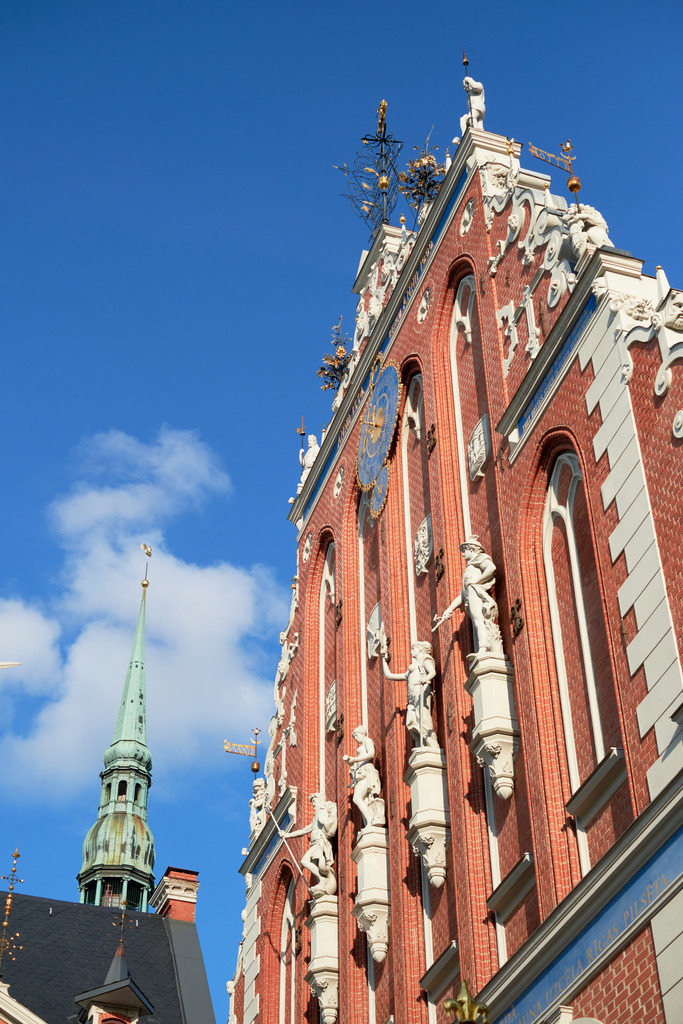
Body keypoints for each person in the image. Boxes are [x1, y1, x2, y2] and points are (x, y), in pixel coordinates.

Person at [432, 536, 502, 659]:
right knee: (476, 621)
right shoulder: (470, 566)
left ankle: (483, 648)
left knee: (478, 620)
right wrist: (449, 609)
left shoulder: (480, 559)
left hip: (475, 593)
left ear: (472, 549)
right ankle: (483, 647)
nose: (463, 555)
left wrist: (476, 581)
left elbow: (491, 568)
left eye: (465, 551)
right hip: (470, 595)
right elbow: (463, 593)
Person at [382, 641, 439, 749]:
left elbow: (432, 672)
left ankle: (432, 745)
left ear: (420, 649)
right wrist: (384, 659)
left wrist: (425, 679)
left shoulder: (425, 659)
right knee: (411, 721)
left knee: (423, 719)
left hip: (421, 691)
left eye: (413, 649)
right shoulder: (412, 668)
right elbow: (389, 676)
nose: (410, 651)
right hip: (412, 696)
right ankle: (420, 745)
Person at [287, 792, 338, 896]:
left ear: (320, 799)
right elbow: (303, 831)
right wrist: (287, 835)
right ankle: (322, 879)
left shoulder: (326, 808)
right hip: (314, 843)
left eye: (314, 801)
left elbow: (333, 818)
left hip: (320, 840)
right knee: (307, 862)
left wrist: (324, 822)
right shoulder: (316, 816)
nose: (313, 804)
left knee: (305, 861)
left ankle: (323, 879)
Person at [343, 726, 384, 828]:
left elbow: (371, 754)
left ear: (362, 733)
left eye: (356, 735)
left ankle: (370, 819)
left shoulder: (368, 741)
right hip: (361, 774)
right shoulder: (362, 745)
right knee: (365, 800)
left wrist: (355, 760)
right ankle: (368, 824)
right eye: (354, 736)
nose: (356, 738)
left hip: (366, 771)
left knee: (357, 798)